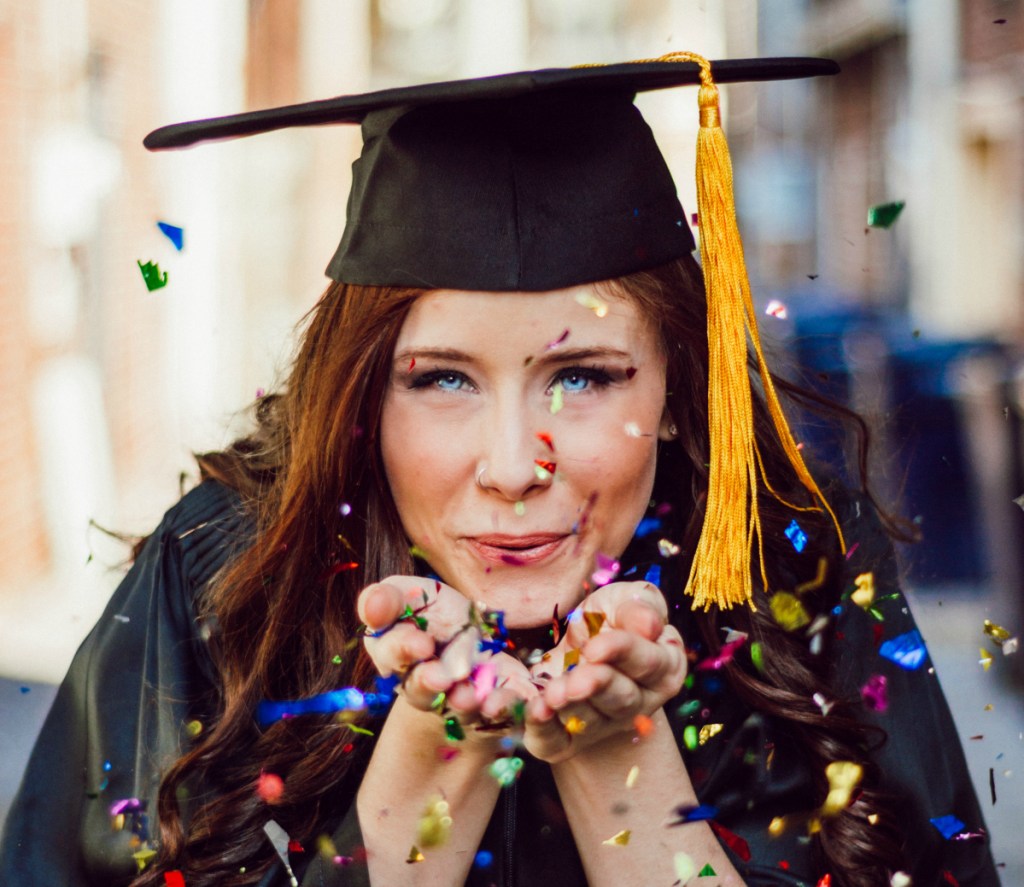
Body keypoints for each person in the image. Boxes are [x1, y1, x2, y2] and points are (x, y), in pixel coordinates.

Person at [0, 52, 1000, 887]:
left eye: (586, 376)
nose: (516, 464)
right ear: (360, 396)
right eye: (440, 379)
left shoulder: (791, 568)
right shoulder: (221, 574)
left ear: (674, 389)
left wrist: (617, 749)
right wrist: (440, 755)